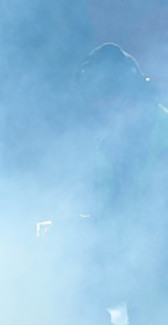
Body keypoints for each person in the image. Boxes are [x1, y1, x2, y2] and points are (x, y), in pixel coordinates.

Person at [70, 43, 168, 323]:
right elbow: (109, 218)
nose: (106, 115)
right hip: (143, 297)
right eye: (97, 107)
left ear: (132, 95)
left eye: (110, 102)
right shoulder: (108, 148)